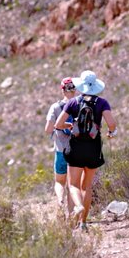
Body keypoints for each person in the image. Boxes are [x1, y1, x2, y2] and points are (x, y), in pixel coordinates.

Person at [54, 70, 118, 231]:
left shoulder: (73, 102)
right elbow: (111, 123)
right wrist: (111, 133)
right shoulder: (102, 103)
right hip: (93, 148)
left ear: (80, 85)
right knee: (86, 186)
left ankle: (78, 206)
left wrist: (70, 125)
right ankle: (83, 223)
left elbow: (58, 124)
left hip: (76, 147)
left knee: (73, 184)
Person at [43, 77, 77, 219]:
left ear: (62, 90)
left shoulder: (55, 107)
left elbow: (48, 129)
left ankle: (59, 202)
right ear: (74, 89)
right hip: (77, 151)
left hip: (60, 150)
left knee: (59, 181)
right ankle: (70, 215)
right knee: (73, 185)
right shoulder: (79, 105)